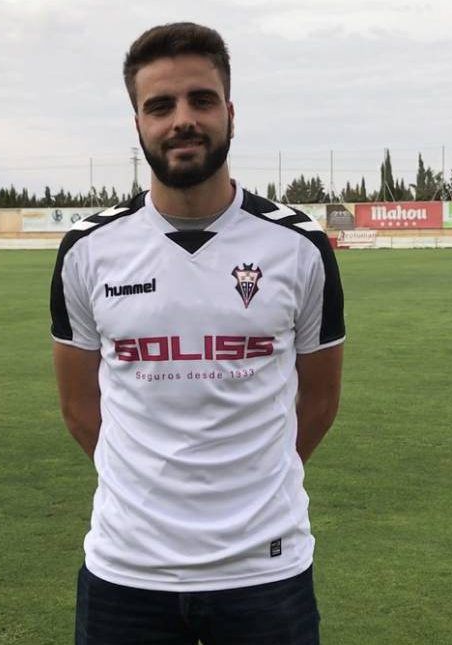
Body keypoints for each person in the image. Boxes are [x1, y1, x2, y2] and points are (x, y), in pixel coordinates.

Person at [50, 22, 345, 645]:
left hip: (266, 572)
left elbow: (319, 404)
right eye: (161, 105)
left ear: (230, 112)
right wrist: (149, 498)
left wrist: (254, 491)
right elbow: (79, 409)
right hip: (126, 572)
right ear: (138, 123)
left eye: (201, 100)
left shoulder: (299, 246)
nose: (183, 120)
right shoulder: (87, 250)